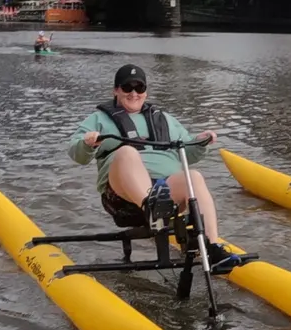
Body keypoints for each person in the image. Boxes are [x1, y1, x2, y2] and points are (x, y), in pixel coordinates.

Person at [68, 63, 239, 273]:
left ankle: (211, 246)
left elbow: (190, 154)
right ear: (116, 90)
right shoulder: (98, 119)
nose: (133, 93)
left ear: (145, 91)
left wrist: (201, 141)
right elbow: (77, 155)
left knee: (194, 176)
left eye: (139, 88)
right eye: (127, 88)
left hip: (165, 192)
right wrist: (86, 143)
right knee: (127, 152)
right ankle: (151, 208)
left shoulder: (164, 119)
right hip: (123, 198)